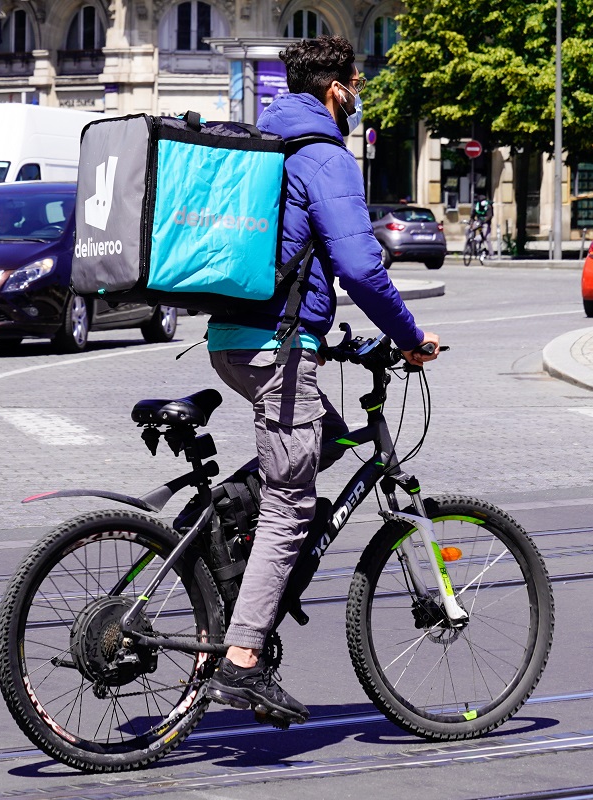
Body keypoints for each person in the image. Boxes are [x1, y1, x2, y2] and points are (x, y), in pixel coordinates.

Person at [204, 35, 440, 727]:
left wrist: (329, 343)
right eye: (357, 84)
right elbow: (361, 269)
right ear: (337, 89)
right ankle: (242, 661)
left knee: (329, 439)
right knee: (289, 508)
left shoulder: (263, 141)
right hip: (275, 349)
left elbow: (292, 255)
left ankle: (219, 536)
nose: (358, 96)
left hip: (235, 339)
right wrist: (409, 338)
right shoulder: (323, 155)